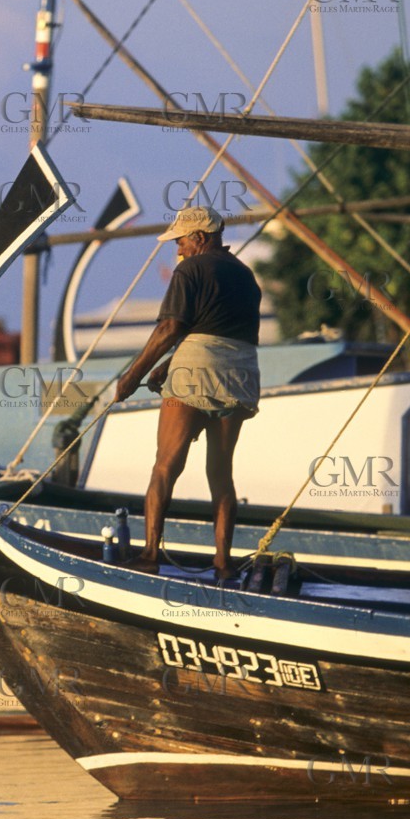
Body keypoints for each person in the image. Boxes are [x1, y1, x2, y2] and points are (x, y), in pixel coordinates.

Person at [113, 203, 261, 580]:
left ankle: (149, 555)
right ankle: (223, 562)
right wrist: (166, 367)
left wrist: (133, 375)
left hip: (194, 376)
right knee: (222, 473)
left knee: (166, 466)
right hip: (240, 376)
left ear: (199, 237)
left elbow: (171, 328)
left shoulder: (190, 269)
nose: (177, 249)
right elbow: (217, 329)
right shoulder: (246, 276)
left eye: (180, 241)